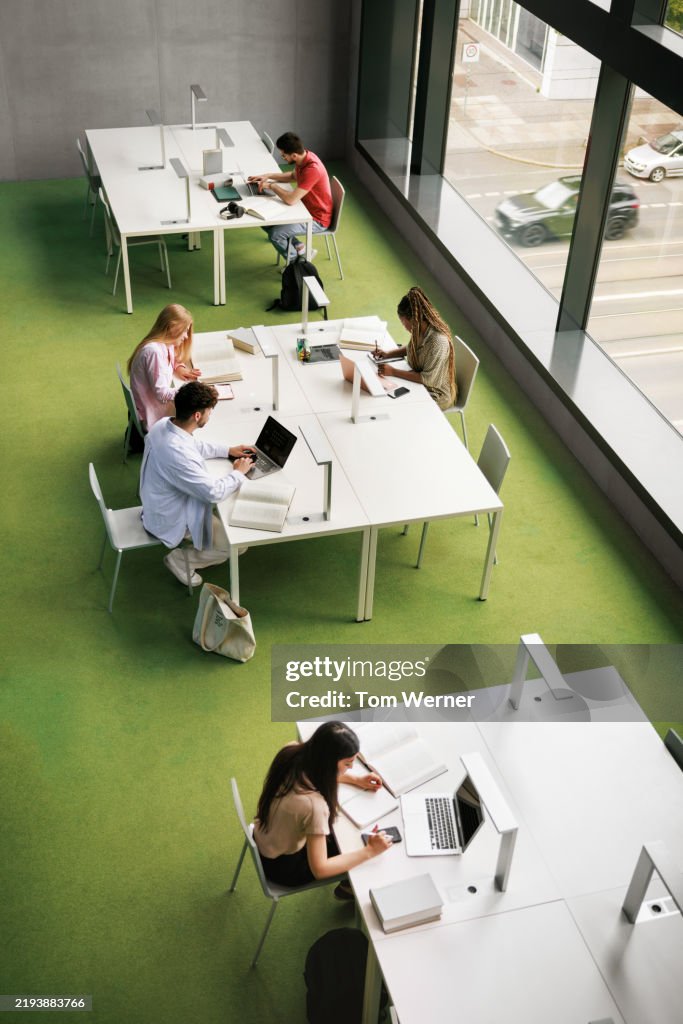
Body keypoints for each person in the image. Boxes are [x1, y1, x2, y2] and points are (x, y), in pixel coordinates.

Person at [254, 722, 392, 900]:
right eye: (348, 763)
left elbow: (317, 772)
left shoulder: (290, 751)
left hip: (264, 835)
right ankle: (348, 888)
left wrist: (356, 779)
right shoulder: (314, 806)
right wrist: (370, 851)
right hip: (284, 867)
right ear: (328, 762)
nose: (350, 768)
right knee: (356, 845)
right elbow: (320, 869)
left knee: (345, 836)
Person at [140, 381, 255, 587]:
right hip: (171, 517)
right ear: (197, 416)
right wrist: (238, 473)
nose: (210, 416)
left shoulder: (165, 424)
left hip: (158, 501)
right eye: (209, 412)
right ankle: (181, 560)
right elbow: (213, 493)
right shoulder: (177, 453)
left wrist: (228, 450)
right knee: (237, 544)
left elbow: (193, 445)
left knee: (226, 521)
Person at [248, 131, 333, 263]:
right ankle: (300, 247)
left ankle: (296, 264)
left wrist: (272, 186)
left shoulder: (312, 169)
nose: (283, 157)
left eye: (284, 156)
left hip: (316, 219)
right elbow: (293, 177)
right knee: (264, 220)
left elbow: (291, 200)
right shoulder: (305, 157)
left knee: (276, 235)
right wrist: (268, 175)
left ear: (294, 155)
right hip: (304, 208)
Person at [373, 287, 457, 410]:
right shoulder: (420, 329)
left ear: (414, 319)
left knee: (398, 405)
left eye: (403, 322)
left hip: (436, 393)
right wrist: (387, 354)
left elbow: (427, 379)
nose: (404, 327)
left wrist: (393, 372)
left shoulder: (437, 342)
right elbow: (412, 348)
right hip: (418, 382)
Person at [127, 304, 202, 441]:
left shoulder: (166, 344)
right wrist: (192, 391)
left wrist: (179, 367)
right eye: (184, 330)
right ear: (172, 328)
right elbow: (162, 393)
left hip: (151, 404)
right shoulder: (153, 352)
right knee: (197, 413)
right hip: (152, 413)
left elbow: (171, 360)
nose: (186, 336)